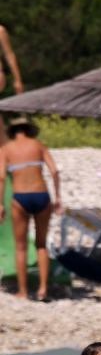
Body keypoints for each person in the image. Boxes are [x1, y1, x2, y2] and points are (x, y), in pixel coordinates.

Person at [0, 117, 61, 301]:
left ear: (13, 132)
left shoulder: (6, 149)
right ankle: (43, 289)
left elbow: (1, 178)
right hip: (41, 195)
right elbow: (55, 171)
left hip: (20, 197)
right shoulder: (38, 145)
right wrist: (58, 197)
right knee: (41, 244)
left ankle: (23, 291)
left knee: (21, 247)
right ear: (29, 130)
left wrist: (1, 204)